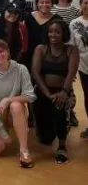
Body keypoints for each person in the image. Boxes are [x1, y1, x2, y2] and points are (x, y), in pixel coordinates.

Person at [0, 39, 36, 168]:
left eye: (2, 51)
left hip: (15, 112)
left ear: (8, 53)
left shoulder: (21, 69)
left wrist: (8, 100)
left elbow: (30, 96)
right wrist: (3, 133)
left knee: (16, 105)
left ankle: (24, 150)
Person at [32, 19, 79, 164]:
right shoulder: (40, 49)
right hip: (44, 91)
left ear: (63, 33)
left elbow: (72, 72)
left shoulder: (71, 50)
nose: (53, 34)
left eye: (57, 32)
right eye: (51, 31)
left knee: (60, 107)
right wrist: (47, 94)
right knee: (45, 138)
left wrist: (64, 92)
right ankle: (48, 129)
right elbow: (35, 72)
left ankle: (62, 146)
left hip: (64, 91)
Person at [68, 0, 88, 138]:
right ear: (81, 4)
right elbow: (72, 48)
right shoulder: (74, 23)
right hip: (84, 67)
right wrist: (72, 69)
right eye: (85, 3)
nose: (87, 6)